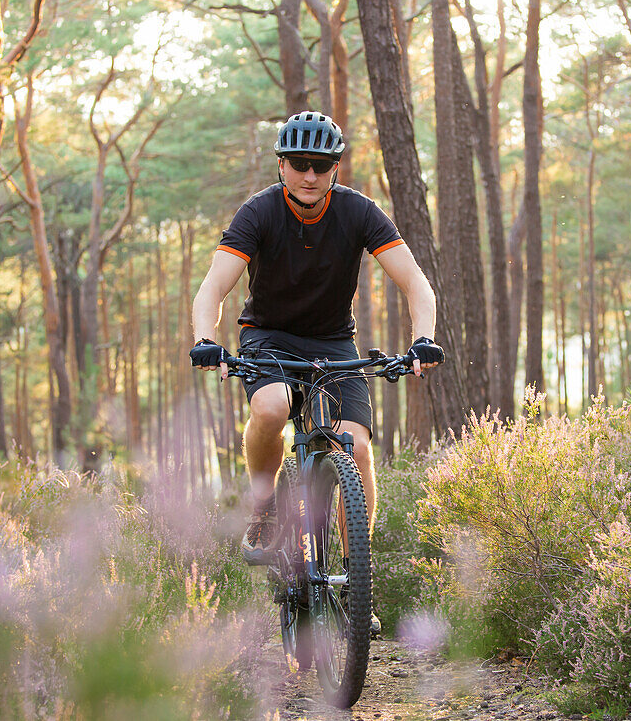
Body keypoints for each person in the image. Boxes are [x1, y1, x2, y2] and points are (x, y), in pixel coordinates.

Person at [189, 111, 445, 634]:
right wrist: (205, 341)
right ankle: (263, 504)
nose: (310, 175)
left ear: (334, 168)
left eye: (322, 166)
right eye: (299, 164)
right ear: (282, 165)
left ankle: (356, 581)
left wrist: (422, 338)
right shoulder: (258, 212)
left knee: (356, 447)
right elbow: (213, 288)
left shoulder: (359, 212)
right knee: (272, 406)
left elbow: (417, 284)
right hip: (268, 336)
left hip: (333, 343)